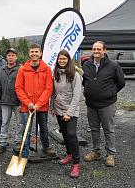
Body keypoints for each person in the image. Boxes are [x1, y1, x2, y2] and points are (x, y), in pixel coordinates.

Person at [82, 41, 125, 167]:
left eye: (99, 49)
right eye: (94, 49)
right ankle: (96, 151)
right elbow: (85, 81)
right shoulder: (87, 64)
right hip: (91, 104)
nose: (96, 51)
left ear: (104, 50)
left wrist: (110, 92)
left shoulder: (113, 65)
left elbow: (121, 82)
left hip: (107, 104)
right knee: (94, 129)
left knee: (108, 129)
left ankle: (110, 154)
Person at [15, 43, 55, 158]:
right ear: (29, 53)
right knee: (26, 131)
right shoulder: (22, 70)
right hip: (26, 107)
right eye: (32, 51)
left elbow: (49, 88)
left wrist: (38, 104)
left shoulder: (46, 69)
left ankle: (46, 147)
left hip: (41, 106)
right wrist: (29, 103)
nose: (34, 54)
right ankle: (25, 155)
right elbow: (18, 88)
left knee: (44, 127)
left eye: (36, 52)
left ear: (40, 53)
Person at [50, 49, 82, 178]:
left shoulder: (75, 75)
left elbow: (77, 96)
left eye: (64, 59)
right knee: (64, 133)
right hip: (58, 109)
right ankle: (69, 154)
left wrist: (69, 113)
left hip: (71, 110)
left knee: (71, 134)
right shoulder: (55, 74)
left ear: (68, 60)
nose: (62, 61)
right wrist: (52, 106)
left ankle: (76, 163)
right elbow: (53, 92)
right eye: (60, 59)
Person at [0, 48, 22, 154]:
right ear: (6, 57)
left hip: (18, 102)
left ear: (16, 57)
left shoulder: (21, 69)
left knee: (20, 123)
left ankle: (18, 144)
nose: (11, 57)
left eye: (13, 55)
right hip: (5, 101)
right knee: (4, 123)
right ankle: (2, 144)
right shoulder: (1, 70)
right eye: (9, 55)